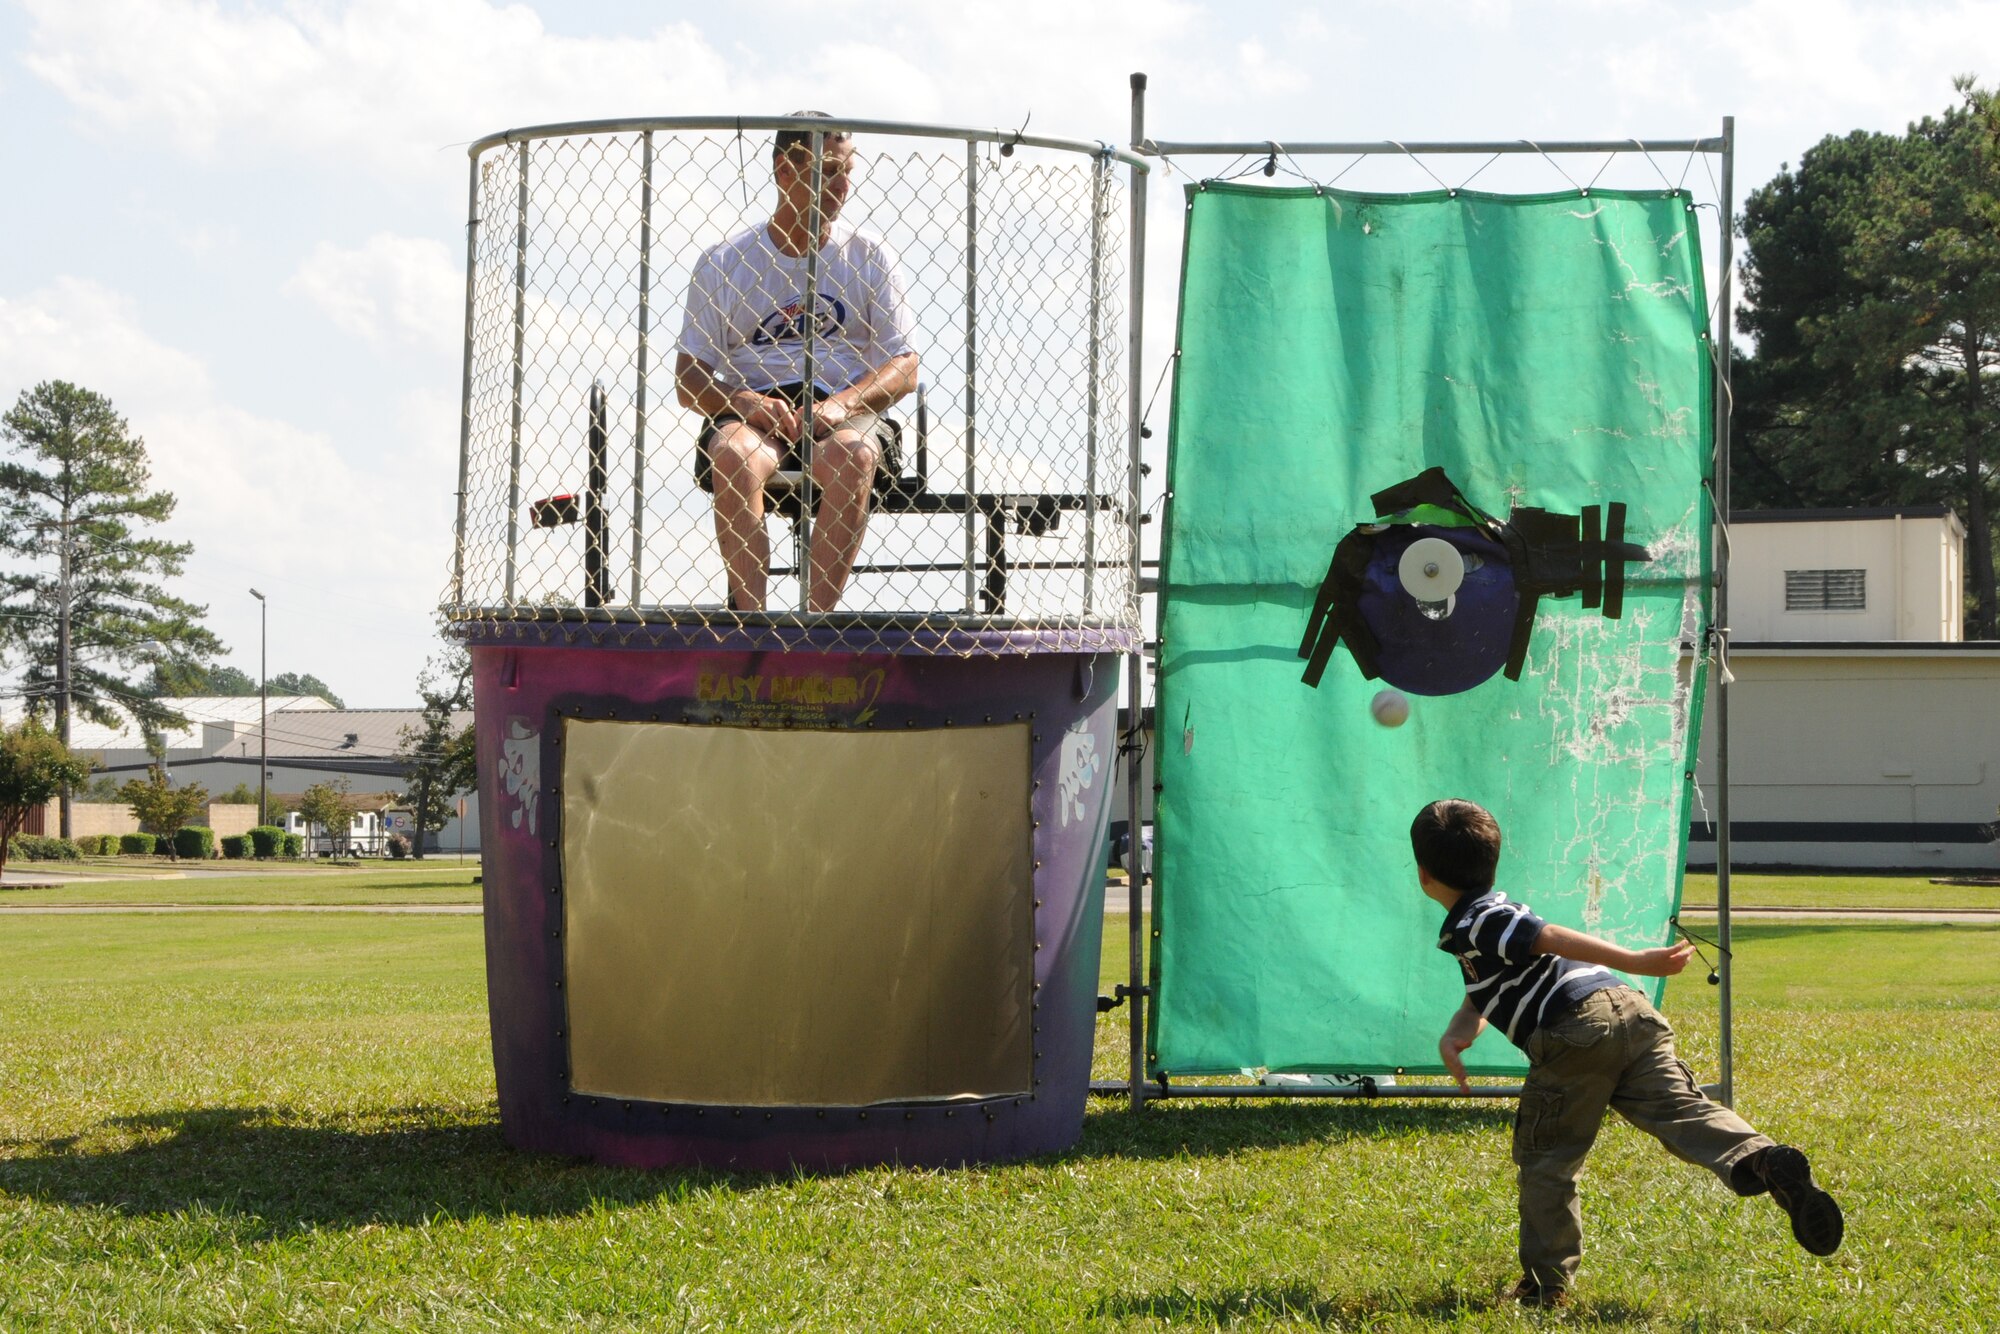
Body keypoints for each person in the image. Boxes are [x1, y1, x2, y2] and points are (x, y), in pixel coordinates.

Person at [1412, 798, 1842, 1309]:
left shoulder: (1478, 919)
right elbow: (1489, 985)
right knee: (1681, 1110)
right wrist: (1458, 1032)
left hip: (1575, 1028)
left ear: (1423, 873)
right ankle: (1765, 1160)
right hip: (1628, 1013)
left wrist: (1637, 958)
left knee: (1547, 1159)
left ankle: (1545, 1287)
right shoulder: (1486, 922)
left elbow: (1546, 938)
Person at [675, 113, 920, 614]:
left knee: (854, 457)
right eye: (828, 169)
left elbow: (906, 364)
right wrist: (742, 401)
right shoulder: (726, 260)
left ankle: (814, 628)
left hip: (843, 408)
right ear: (786, 170)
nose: (843, 183)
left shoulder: (868, 255)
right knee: (732, 455)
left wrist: (840, 406)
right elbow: (689, 377)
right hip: (756, 410)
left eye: (848, 169)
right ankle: (753, 622)